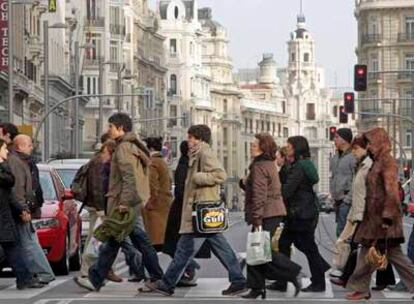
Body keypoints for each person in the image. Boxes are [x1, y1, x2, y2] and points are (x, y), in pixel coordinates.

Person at [146, 125, 247, 296]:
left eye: (191, 137)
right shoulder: (197, 154)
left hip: (201, 210)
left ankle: (167, 283)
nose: (188, 140)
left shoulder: (205, 153)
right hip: (201, 211)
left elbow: (220, 175)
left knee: (184, 250)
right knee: (215, 245)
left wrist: (198, 177)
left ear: (199, 139)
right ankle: (238, 279)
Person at [74, 113, 163, 292]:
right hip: (133, 202)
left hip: (126, 203)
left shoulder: (123, 148)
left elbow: (129, 177)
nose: (109, 130)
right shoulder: (133, 146)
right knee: (116, 241)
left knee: (131, 241)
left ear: (120, 128)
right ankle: (96, 278)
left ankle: (157, 277)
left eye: (111, 127)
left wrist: (124, 201)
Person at [346, 128, 414, 301]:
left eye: (370, 142)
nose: (368, 146)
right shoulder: (376, 161)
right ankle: (361, 289)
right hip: (373, 220)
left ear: (378, 142)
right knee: (366, 256)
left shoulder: (388, 162)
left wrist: (387, 217)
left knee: (397, 258)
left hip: (384, 220)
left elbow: (391, 192)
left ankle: (361, 289)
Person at [240, 133, 302, 299]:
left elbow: (260, 194)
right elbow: (260, 189)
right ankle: (256, 287)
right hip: (271, 211)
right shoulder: (267, 164)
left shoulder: (260, 166)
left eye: (254, 145)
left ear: (262, 148)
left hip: (267, 212)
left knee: (261, 249)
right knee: (256, 249)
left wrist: (257, 217)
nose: (251, 148)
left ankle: (293, 271)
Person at [277, 136, 329, 293]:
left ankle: (318, 282)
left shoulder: (299, 167)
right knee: (285, 244)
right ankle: (283, 280)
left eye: (289, 146)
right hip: (300, 213)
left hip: (302, 214)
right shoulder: (298, 165)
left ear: (296, 148)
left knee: (307, 247)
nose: (286, 147)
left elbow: (286, 190)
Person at [8, 134, 55, 284]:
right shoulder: (16, 163)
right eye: (29, 144)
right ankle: (41, 273)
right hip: (21, 210)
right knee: (29, 243)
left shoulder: (22, 162)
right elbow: (17, 189)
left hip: (21, 209)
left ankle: (37, 274)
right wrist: (24, 209)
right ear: (20, 146)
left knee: (27, 243)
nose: (31, 147)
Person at [0, 138, 44, 290]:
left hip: (4, 218)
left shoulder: (3, 171)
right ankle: (24, 279)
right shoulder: (4, 170)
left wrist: (22, 209)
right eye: (4, 149)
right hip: (3, 219)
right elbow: (10, 184)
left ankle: (24, 278)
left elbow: (9, 194)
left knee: (13, 249)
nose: (7, 152)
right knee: (13, 249)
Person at [78, 138, 121, 282]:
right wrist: (101, 209)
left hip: (104, 206)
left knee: (104, 240)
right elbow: (97, 187)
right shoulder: (98, 162)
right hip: (99, 208)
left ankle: (106, 269)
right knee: (94, 239)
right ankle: (86, 271)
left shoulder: (106, 162)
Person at [162, 141, 204, 287]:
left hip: (182, 209)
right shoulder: (185, 165)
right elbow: (181, 189)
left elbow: (181, 190)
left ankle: (183, 272)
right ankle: (186, 269)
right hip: (182, 209)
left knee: (178, 245)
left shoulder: (185, 164)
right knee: (178, 244)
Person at [142, 137, 173, 252]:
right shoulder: (162, 162)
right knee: (162, 242)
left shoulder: (152, 162)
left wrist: (150, 202)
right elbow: (169, 181)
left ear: (150, 148)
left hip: (155, 206)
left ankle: (151, 269)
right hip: (164, 202)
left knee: (154, 242)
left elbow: (152, 184)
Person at [330, 128, 357, 237]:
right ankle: (344, 253)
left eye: (337, 137)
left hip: (347, 201)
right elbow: (334, 177)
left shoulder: (353, 156)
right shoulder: (335, 157)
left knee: (344, 234)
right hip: (338, 200)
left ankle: (347, 254)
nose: (334, 140)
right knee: (340, 232)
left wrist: (347, 199)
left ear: (345, 140)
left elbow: (356, 179)